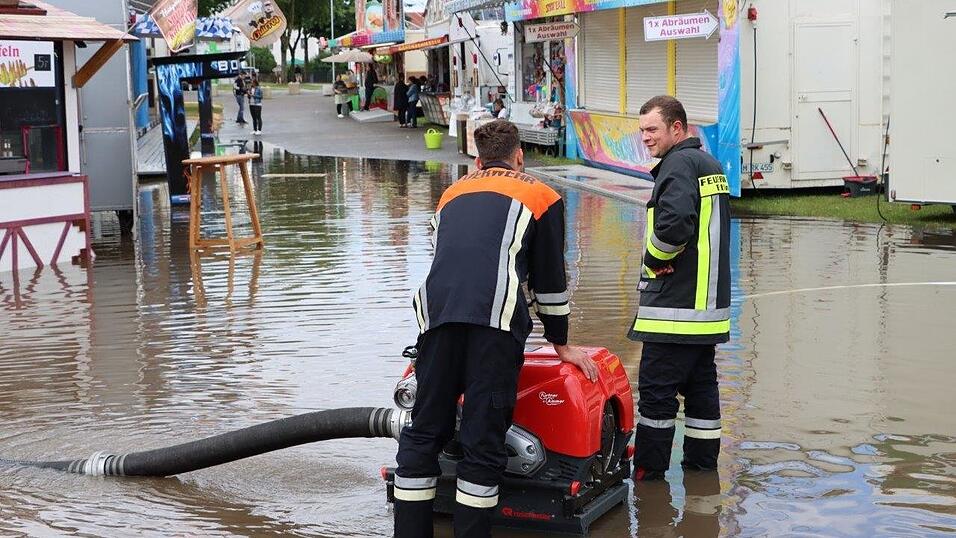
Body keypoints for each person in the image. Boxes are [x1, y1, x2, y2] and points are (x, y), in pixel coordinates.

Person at [394, 119, 598, 538]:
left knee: (424, 432)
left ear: (477, 160)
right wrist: (560, 344)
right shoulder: (541, 196)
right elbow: (550, 282)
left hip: (436, 319)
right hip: (495, 323)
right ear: (519, 156)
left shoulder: (451, 194)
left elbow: (451, 256)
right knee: (482, 441)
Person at [627, 95, 731, 481]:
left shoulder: (677, 165)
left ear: (677, 128)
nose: (645, 138)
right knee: (702, 396)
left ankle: (649, 486)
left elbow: (673, 227)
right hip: (705, 316)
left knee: (656, 402)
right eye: (642, 131)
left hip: (674, 312)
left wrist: (653, 260)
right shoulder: (708, 165)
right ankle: (703, 479)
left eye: (652, 129)